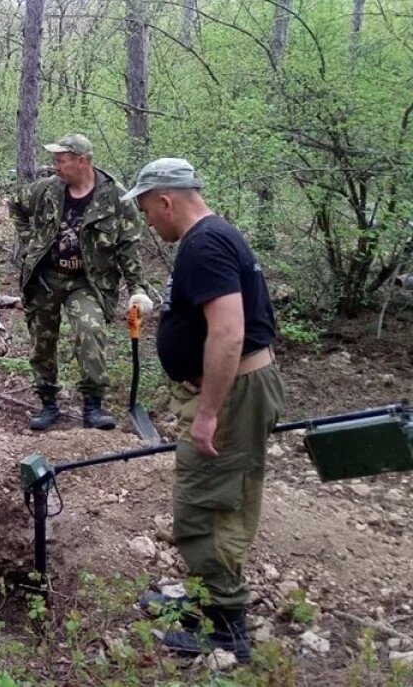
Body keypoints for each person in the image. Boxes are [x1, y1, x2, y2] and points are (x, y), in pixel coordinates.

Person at [123, 158, 285, 664]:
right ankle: (204, 600)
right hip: (234, 389)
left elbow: (230, 330)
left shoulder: (205, 243)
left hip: (232, 395)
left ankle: (226, 629)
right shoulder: (212, 237)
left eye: (148, 209)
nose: (148, 221)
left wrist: (209, 410)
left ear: (166, 200)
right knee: (206, 497)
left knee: (211, 502)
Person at [11, 133, 153, 431]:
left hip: (88, 281)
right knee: (42, 340)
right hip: (46, 277)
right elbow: (16, 205)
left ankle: (93, 405)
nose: (55, 167)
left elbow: (128, 247)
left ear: (83, 161)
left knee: (89, 330)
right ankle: (48, 402)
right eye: (55, 161)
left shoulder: (116, 198)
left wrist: (138, 288)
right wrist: (30, 242)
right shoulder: (47, 190)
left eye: (61, 161)